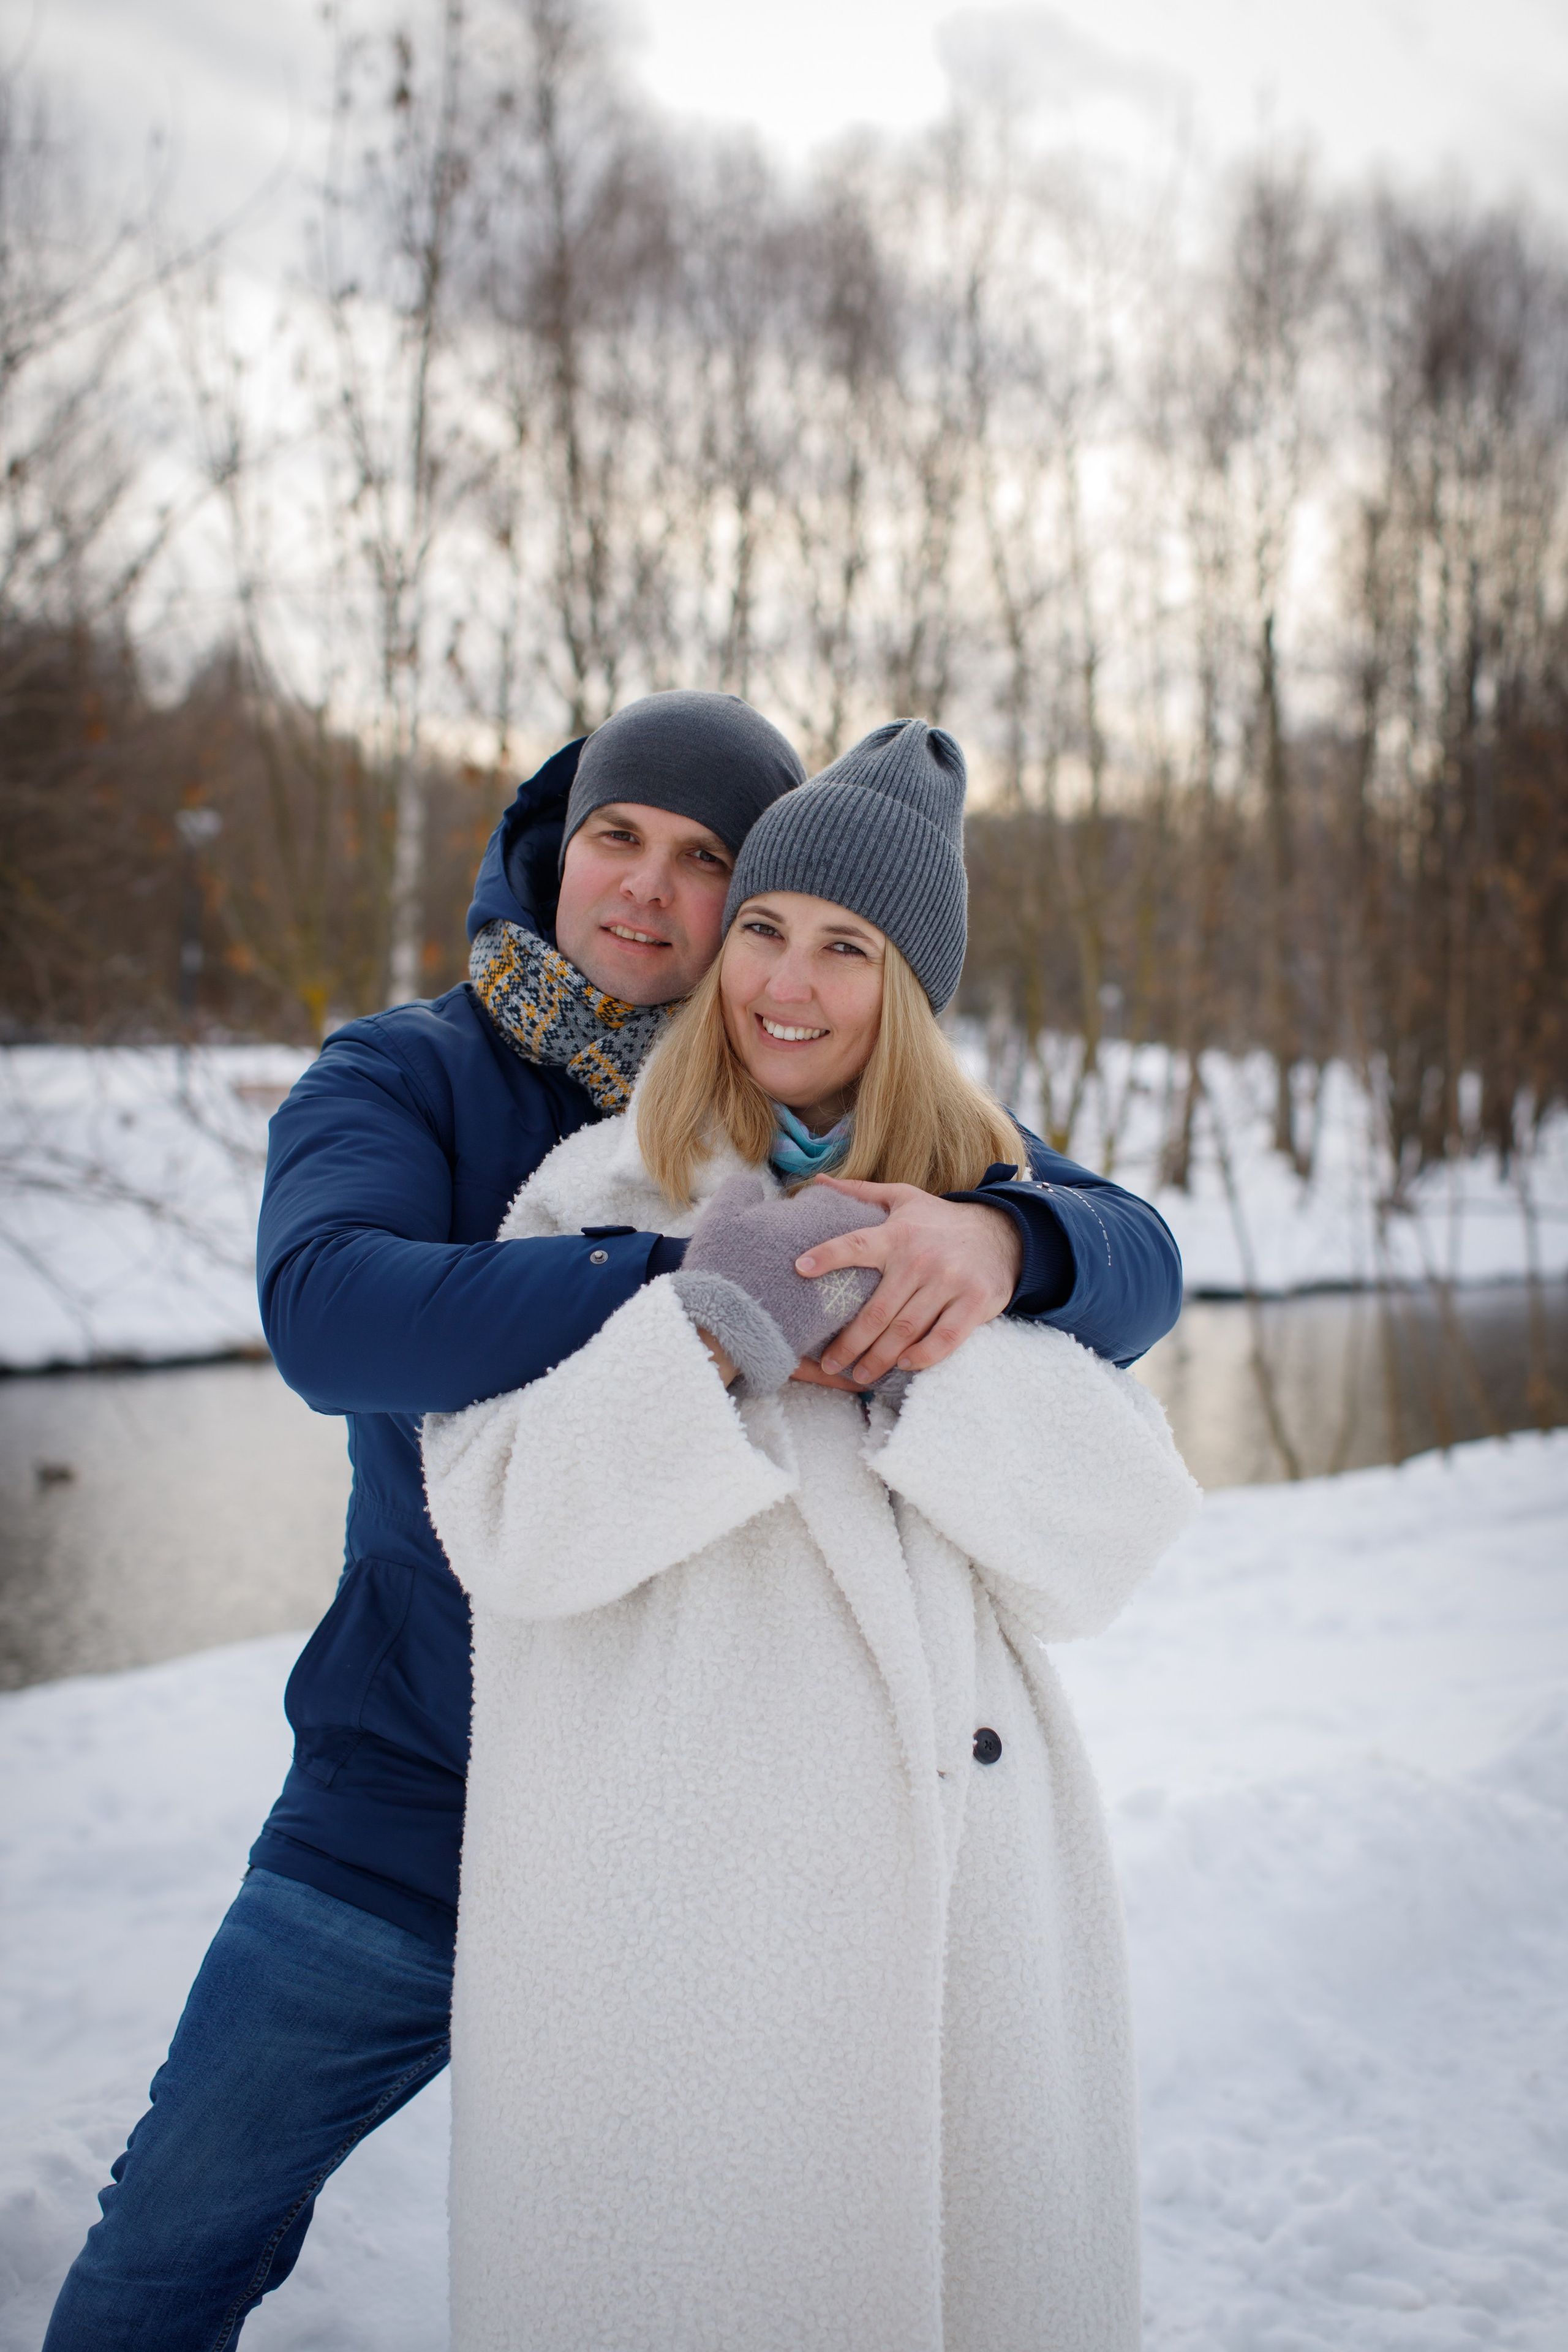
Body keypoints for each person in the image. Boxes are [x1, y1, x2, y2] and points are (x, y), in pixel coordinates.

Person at [44, 696, 1185, 2350]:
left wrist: (1009, 1244)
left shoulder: (822, 1092)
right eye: (617, 837)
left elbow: (1130, 1253)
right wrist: (693, 1285)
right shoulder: (415, 1072)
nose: (649, 887)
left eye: (706, 859)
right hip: (415, 1786)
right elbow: (329, 1313)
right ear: (556, 849)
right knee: (182, 2224)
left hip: (689, 1831)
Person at [425, 717, 1200, 2351]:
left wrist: (940, 1350)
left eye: (846, 947)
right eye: (764, 929)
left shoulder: (985, 1205)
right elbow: (504, 1526)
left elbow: (1118, 1537)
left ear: (906, 988)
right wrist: (705, 1336)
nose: (787, 981)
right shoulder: (595, 1198)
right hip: (669, 1922)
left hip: (964, 1904)